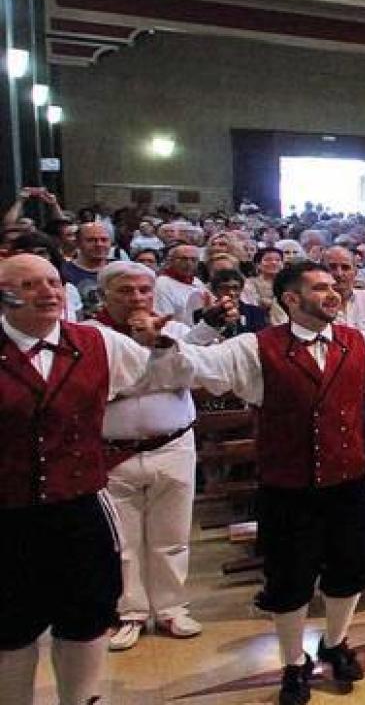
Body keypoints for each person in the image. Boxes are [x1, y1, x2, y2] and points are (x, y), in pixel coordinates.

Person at [168, 261, 365, 705]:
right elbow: (197, 365)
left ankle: (336, 642)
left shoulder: (358, 343)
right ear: (291, 300)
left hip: (348, 480)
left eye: (334, 286)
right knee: (290, 579)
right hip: (286, 485)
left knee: (350, 568)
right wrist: (183, 334)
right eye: (319, 288)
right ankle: (294, 663)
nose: (332, 293)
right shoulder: (256, 348)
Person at [0, 254, 192, 705]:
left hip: (80, 499)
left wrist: (157, 344)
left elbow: (160, 374)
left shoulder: (99, 342)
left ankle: (83, 699)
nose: (47, 292)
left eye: (51, 281)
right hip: (8, 508)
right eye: (29, 285)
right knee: (11, 624)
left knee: (85, 612)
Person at [88, 262, 201, 652]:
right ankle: (130, 610)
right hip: (113, 451)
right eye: (125, 291)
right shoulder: (91, 335)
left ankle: (171, 606)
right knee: (124, 539)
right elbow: (104, 388)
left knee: (172, 533)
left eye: (143, 290)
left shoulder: (177, 330)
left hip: (173, 444)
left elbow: (188, 378)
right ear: (105, 295)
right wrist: (149, 370)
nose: (137, 298)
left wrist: (159, 353)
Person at [323, 245, 365, 330]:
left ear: (355, 272)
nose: (339, 274)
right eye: (332, 267)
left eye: (345, 267)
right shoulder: (314, 306)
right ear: (321, 271)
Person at [153, 243, 207, 321]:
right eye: (183, 259)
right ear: (171, 261)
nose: (189, 263)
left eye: (193, 260)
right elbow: (165, 318)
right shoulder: (162, 284)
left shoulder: (197, 282)